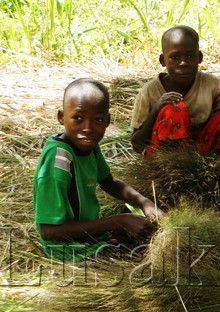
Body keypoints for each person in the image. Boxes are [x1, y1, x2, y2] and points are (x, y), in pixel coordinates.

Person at [33, 78, 163, 262]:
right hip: (68, 248)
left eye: (98, 120)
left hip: (88, 235)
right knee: (141, 256)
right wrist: (119, 220)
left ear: (108, 120)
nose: (88, 128)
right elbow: (49, 231)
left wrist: (144, 202)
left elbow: (109, 182)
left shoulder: (89, 146)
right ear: (61, 117)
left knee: (147, 233)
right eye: (78, 118)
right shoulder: (59, 160)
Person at [130, 25, 220, 178]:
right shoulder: (150, 91)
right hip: (163, 159)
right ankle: (177, 173)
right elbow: (137, 144)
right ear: (163, 60)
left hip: (199, 151)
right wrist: (157, 109)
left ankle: (212, 164)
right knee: (174, 109)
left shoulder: (209, 83)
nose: (183, 63)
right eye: (175, 57)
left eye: (190, 56)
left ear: (199, 57)